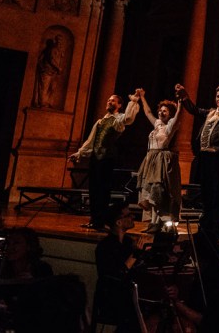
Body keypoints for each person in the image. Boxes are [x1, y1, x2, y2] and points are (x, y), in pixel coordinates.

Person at [69, 92, 141, 230]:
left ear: (119, 105)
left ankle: (100, 221)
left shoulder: (118, 120)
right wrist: (79, 153)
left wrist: (133, 101)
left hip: (107, 158)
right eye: (108, 100)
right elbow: (91, 140)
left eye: (113, 101)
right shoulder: (100, 121)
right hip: (96, 158)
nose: (109, 102)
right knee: (93, 190)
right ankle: (94, 219)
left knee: (103, 191)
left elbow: (129, 118)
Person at [178, 83, 219, 240]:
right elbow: (194, 110)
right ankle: (205, 228)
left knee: (217, 195)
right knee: (206, 194)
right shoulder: (211, 112)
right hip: (205, 157)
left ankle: (216, 230)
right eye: (218, 96)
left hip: (218, 158)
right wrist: (184, 96)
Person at [94, 202, 147, 332]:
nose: (133, 217)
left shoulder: (128, 242)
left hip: (129, 296)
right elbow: (116, 274)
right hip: (113, 298)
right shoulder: (105, 246)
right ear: (118, 222)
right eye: (128, 215)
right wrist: (135, 255)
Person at [136, 93, 182, 233]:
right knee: (149, 192)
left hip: (161, 160)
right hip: (150, 159)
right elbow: (148, 112)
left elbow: (178, 116)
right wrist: (142, 97)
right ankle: (153, 222)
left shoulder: (170, 126)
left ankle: (158, 223)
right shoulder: (157, 124)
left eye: (165, 111)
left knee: (158, 192)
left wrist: (180, 103)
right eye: (160, 110)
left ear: (170, 114)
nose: (161, 113)